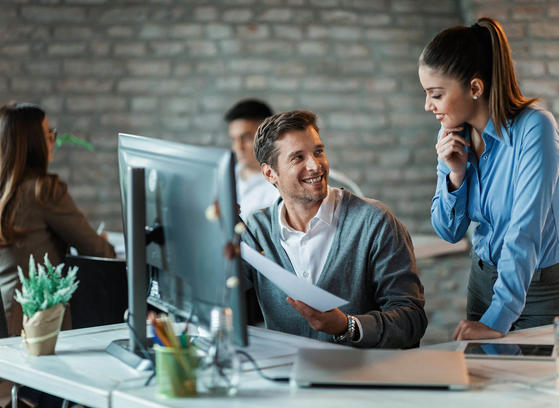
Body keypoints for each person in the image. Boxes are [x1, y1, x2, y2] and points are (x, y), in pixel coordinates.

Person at [418, 17, 559, 341]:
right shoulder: (452, 132)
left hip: (538, 290)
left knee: (531, 389)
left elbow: (524, 231)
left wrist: (497, 318)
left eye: (435, 94)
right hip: (481, 281)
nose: (428, 106)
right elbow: (449, 232)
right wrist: (455, 175)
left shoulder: (535, 128)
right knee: (481, 381)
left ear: (475, 88)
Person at [241, 110, 427, 348]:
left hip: (361, 377)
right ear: (270, 173)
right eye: (298, 158)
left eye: (318, 152)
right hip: (286, 377)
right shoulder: (256, 231)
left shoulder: (375, 222)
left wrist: (347, 326)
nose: (315, 165)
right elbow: (214, 299)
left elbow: (412, 320)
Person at [0, 102, 115, 337]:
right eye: (47, 133)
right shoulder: (44, 191)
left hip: (7, 318)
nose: (53, 139)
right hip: (35, 325)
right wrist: (104, 242)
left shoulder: (6, 192)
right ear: (33, 144)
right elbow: (100, 252)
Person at [225, 99, 364, 220]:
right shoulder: (227, 176)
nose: (238, 147)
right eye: (234, 139)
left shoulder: (288, 189)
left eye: (246, 138)